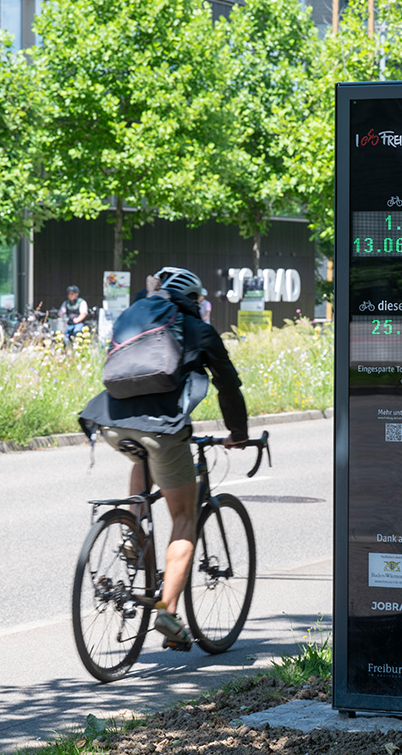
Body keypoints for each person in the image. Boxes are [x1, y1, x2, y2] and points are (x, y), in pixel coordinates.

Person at [78, 266, 249, 650]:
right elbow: (229, 388)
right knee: (184, 517)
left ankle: (133, 532)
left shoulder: (137, 316)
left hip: (109, 421)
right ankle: (168, 612)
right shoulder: (198, 330)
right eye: (201, 300)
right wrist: (238, 434)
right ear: (194, 298)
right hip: (161, 429)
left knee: (144, 457)